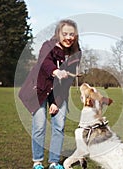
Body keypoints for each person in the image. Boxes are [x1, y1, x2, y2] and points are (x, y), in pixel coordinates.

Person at [19, 19, 81, 169]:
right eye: (65, 33)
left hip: (59, 92)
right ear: (58, 33)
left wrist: (56, 102)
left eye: (71, 34)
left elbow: (66, 82)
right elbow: (44, 62)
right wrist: (56, 71)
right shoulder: (48, 46)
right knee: (39, 126)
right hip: (39, 89)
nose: (68, 37)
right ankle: (38, 162)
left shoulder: (76, 53)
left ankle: (54, 162)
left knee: (59, 126)